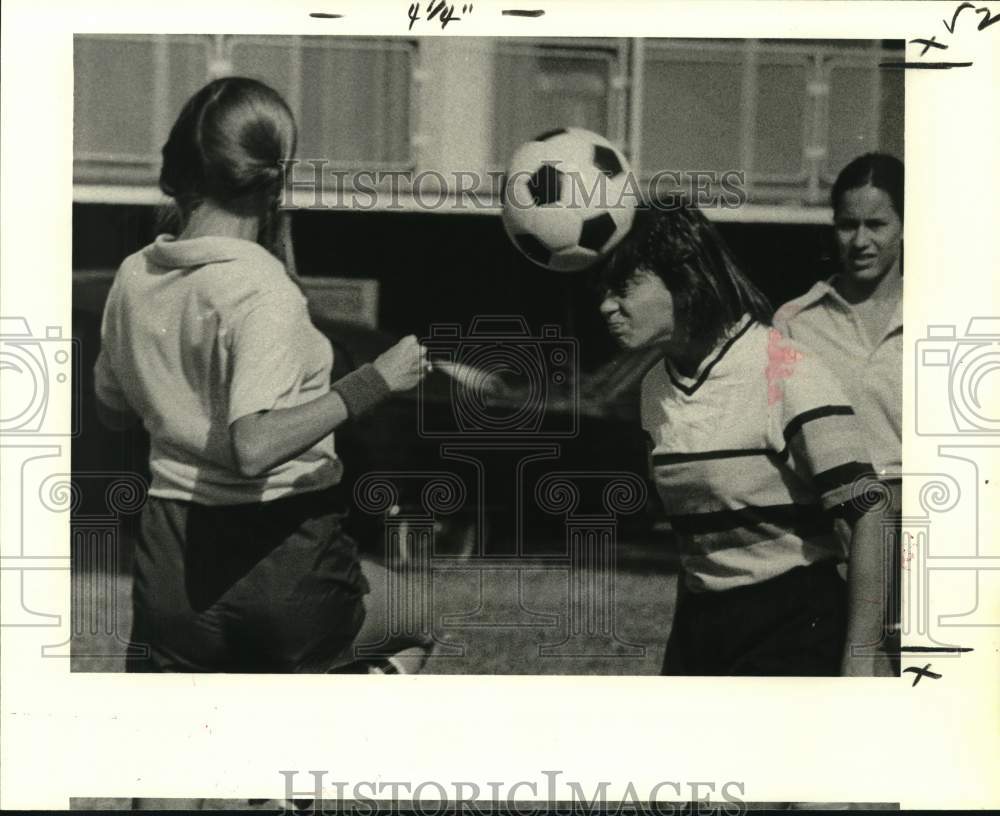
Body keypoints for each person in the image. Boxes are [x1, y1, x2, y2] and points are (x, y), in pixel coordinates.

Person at [93, 76, 430, 678]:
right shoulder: (263, 290)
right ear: (278, 173)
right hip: (282, 563)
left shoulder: (132, 275)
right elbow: (255, 447)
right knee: (418, 617)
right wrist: (377, 379)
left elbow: (112, 410)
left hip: (169, 566)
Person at [597, 201, 892, 676]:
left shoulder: (785, 368)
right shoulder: (654, 388)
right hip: (702, 625)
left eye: (623, 287)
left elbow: (868, 514)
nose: (606, 306)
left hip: (795, 625)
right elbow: (701, 549)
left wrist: (858, 663)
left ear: (684, 277)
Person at [774, 153, 904, 669]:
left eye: (877, 224)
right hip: (837, 539)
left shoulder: (952, 315)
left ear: (905, 226)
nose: (860, 240)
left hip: (935, 535)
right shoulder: (794, 323)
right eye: (847, 225)